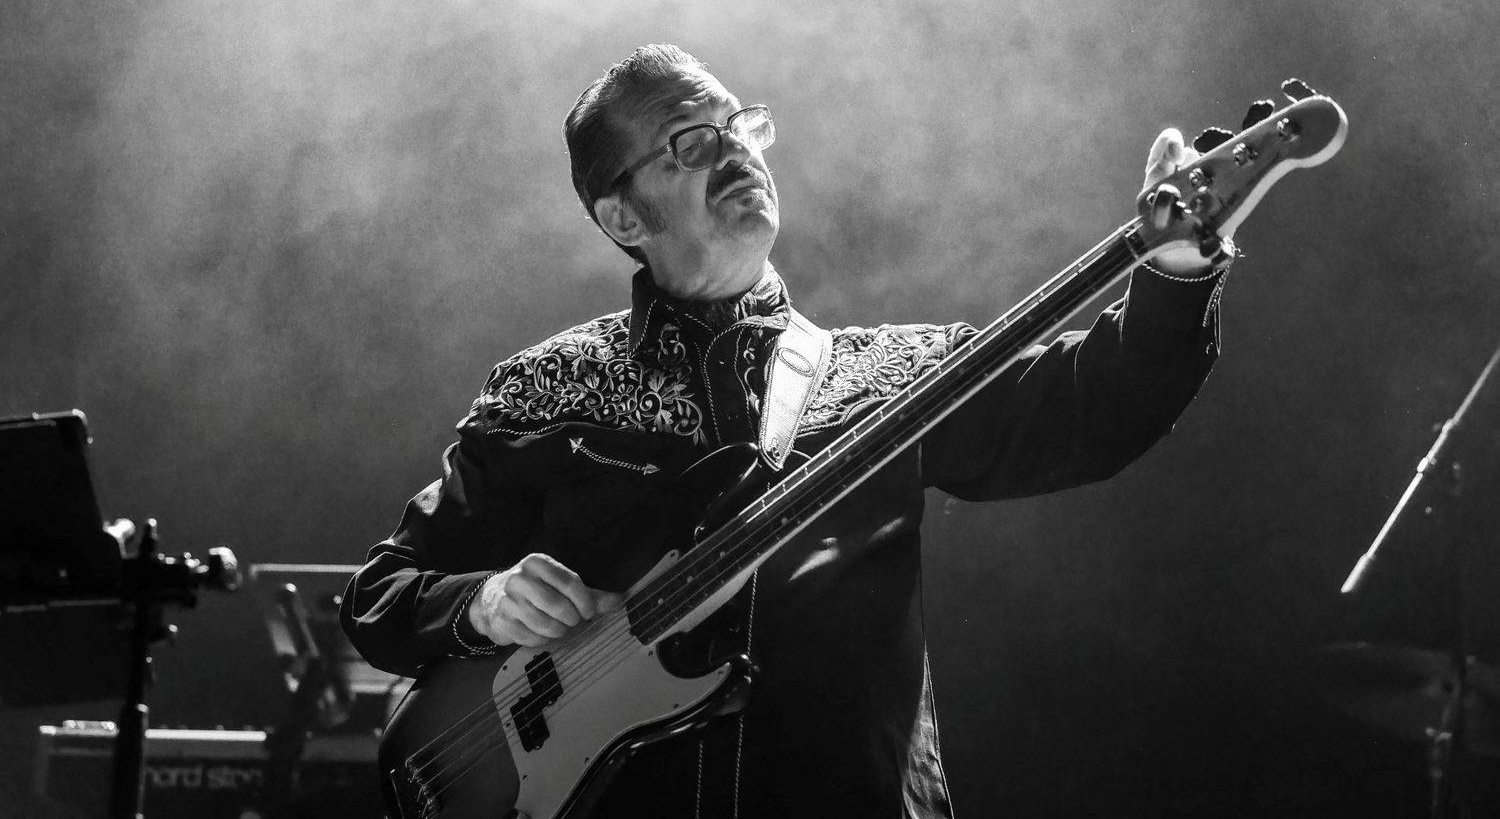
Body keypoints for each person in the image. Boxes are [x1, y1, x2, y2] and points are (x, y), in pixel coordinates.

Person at [341, 43, 1230, 818]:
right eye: (692, 143)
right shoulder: (546, 389)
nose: (736, 151)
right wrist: (485, 603)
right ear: (623, 216)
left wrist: (1178, 272)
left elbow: (1101, 403)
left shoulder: (894, 377)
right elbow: (381, 596)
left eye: (742, 126)